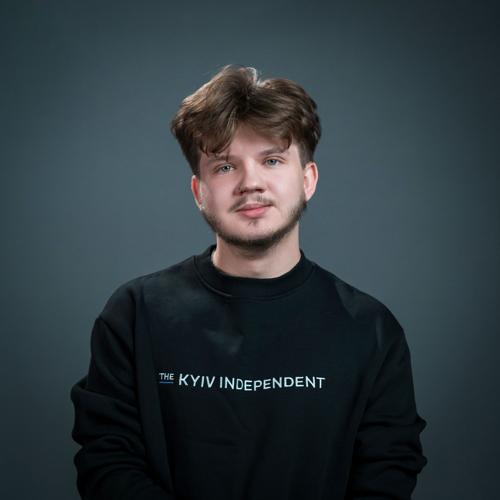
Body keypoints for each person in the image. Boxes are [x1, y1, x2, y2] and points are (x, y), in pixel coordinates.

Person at [70, 64, 428, 500]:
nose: (250, 183)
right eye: (225, 166)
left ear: (307, 180)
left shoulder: (370, 330)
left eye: (272, 160)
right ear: (199, 192)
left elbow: (387, 474)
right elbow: (107, 462)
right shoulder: (134, 314)